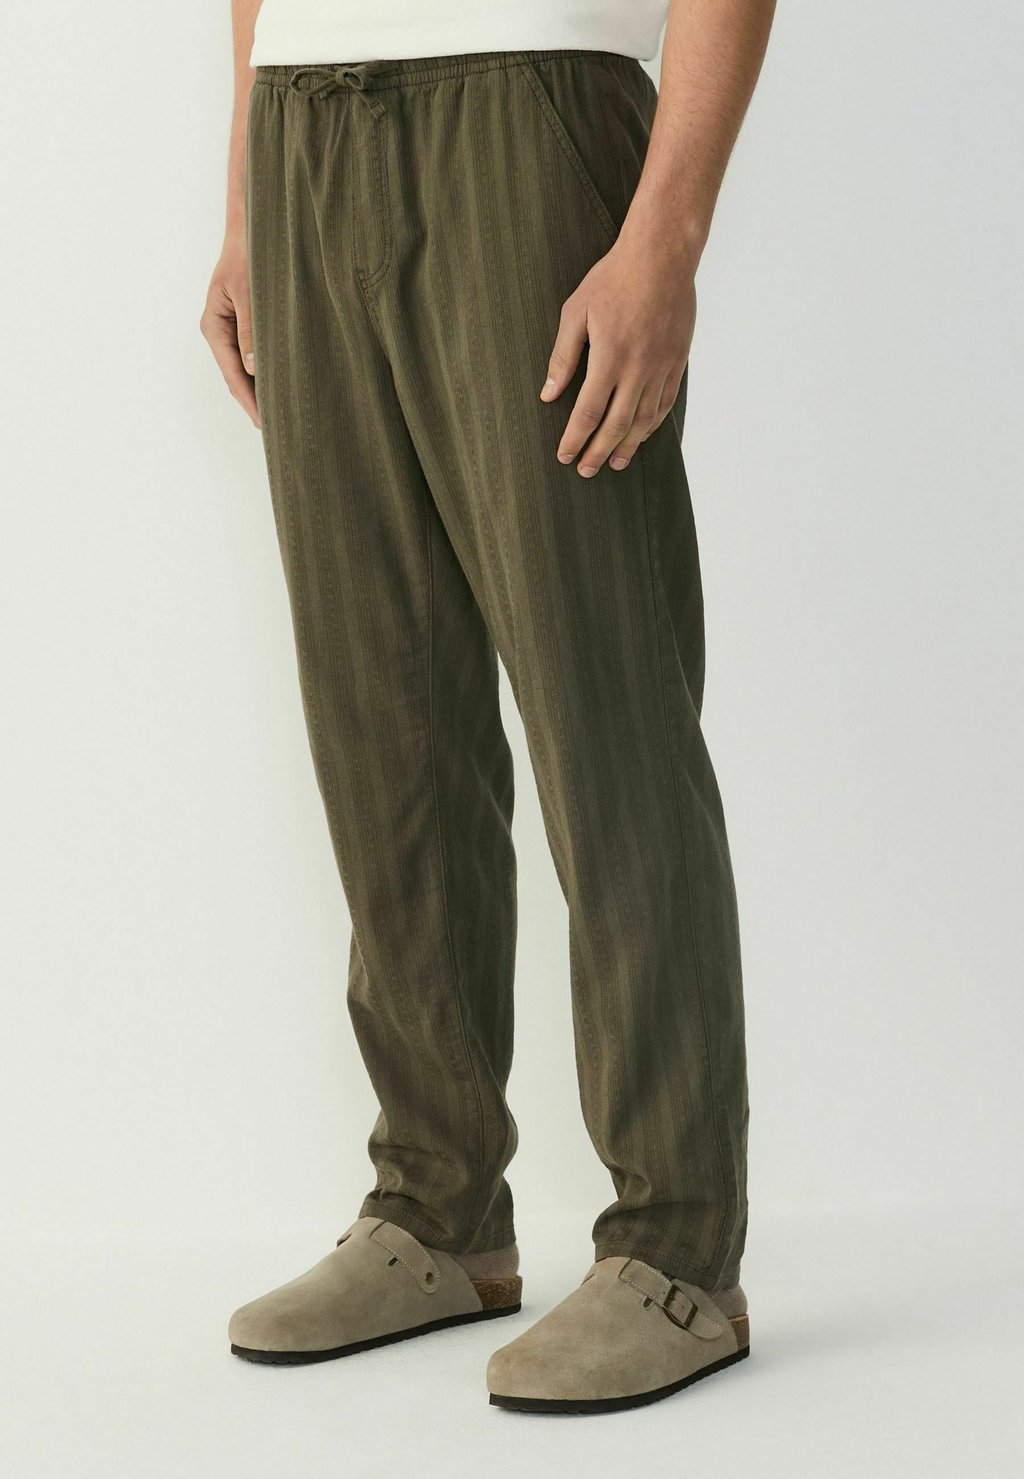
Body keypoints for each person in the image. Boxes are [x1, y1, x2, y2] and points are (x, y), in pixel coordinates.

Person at [202, 0, 774, 1414]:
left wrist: (666, 237)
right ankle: (437, 1212)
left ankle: (677, 1250)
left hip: (529, 108)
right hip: (304, 124)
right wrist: (246, 198)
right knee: (378, 717)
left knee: (604, 705)